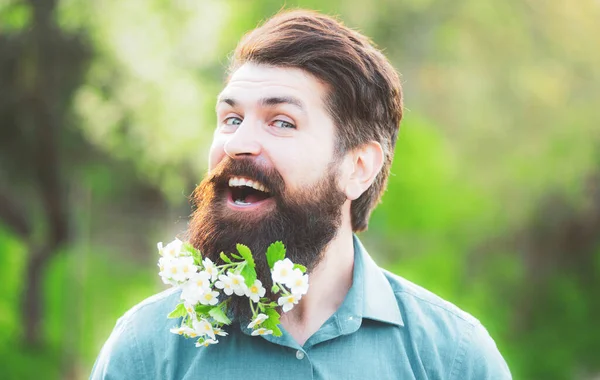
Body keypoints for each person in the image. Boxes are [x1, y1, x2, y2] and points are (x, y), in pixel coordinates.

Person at [91, 9, 511, 379]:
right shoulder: (147, 352)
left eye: (282, 122)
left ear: (358, 167)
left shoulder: (453, 359)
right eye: (232, 118)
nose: (238, 143)